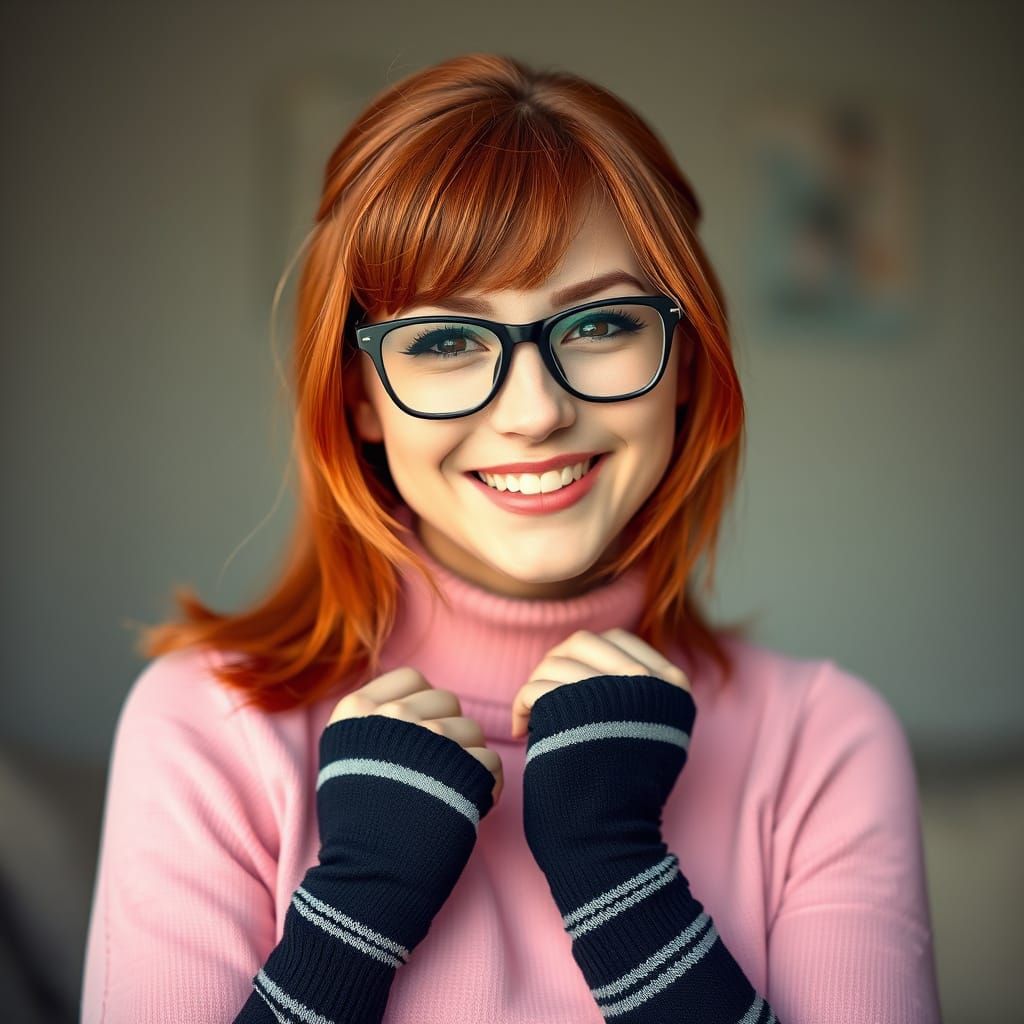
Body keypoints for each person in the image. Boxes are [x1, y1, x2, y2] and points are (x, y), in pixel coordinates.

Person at [79, 53, 942, 1023]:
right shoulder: (211, 726)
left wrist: (622, 883)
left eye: (600, 325)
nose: (535, 411)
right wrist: (351, 917)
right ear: (360, 396)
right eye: (446, 340)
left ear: (685, 360)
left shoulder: (822, 743)